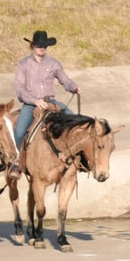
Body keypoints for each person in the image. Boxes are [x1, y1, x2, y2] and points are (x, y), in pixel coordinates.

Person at [11, 30, 81, 179]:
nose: (42, 48)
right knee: (19, 131)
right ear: (32, 46)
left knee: (75, 121)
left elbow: (65, 80)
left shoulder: (54, 63)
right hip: (32, 104)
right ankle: (16, 163)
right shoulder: (23, 64)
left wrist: (74, 87)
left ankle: (78, 158)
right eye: (39, 45)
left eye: (44, 45)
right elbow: (19, 89)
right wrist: (34, 101)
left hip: (51, 102)